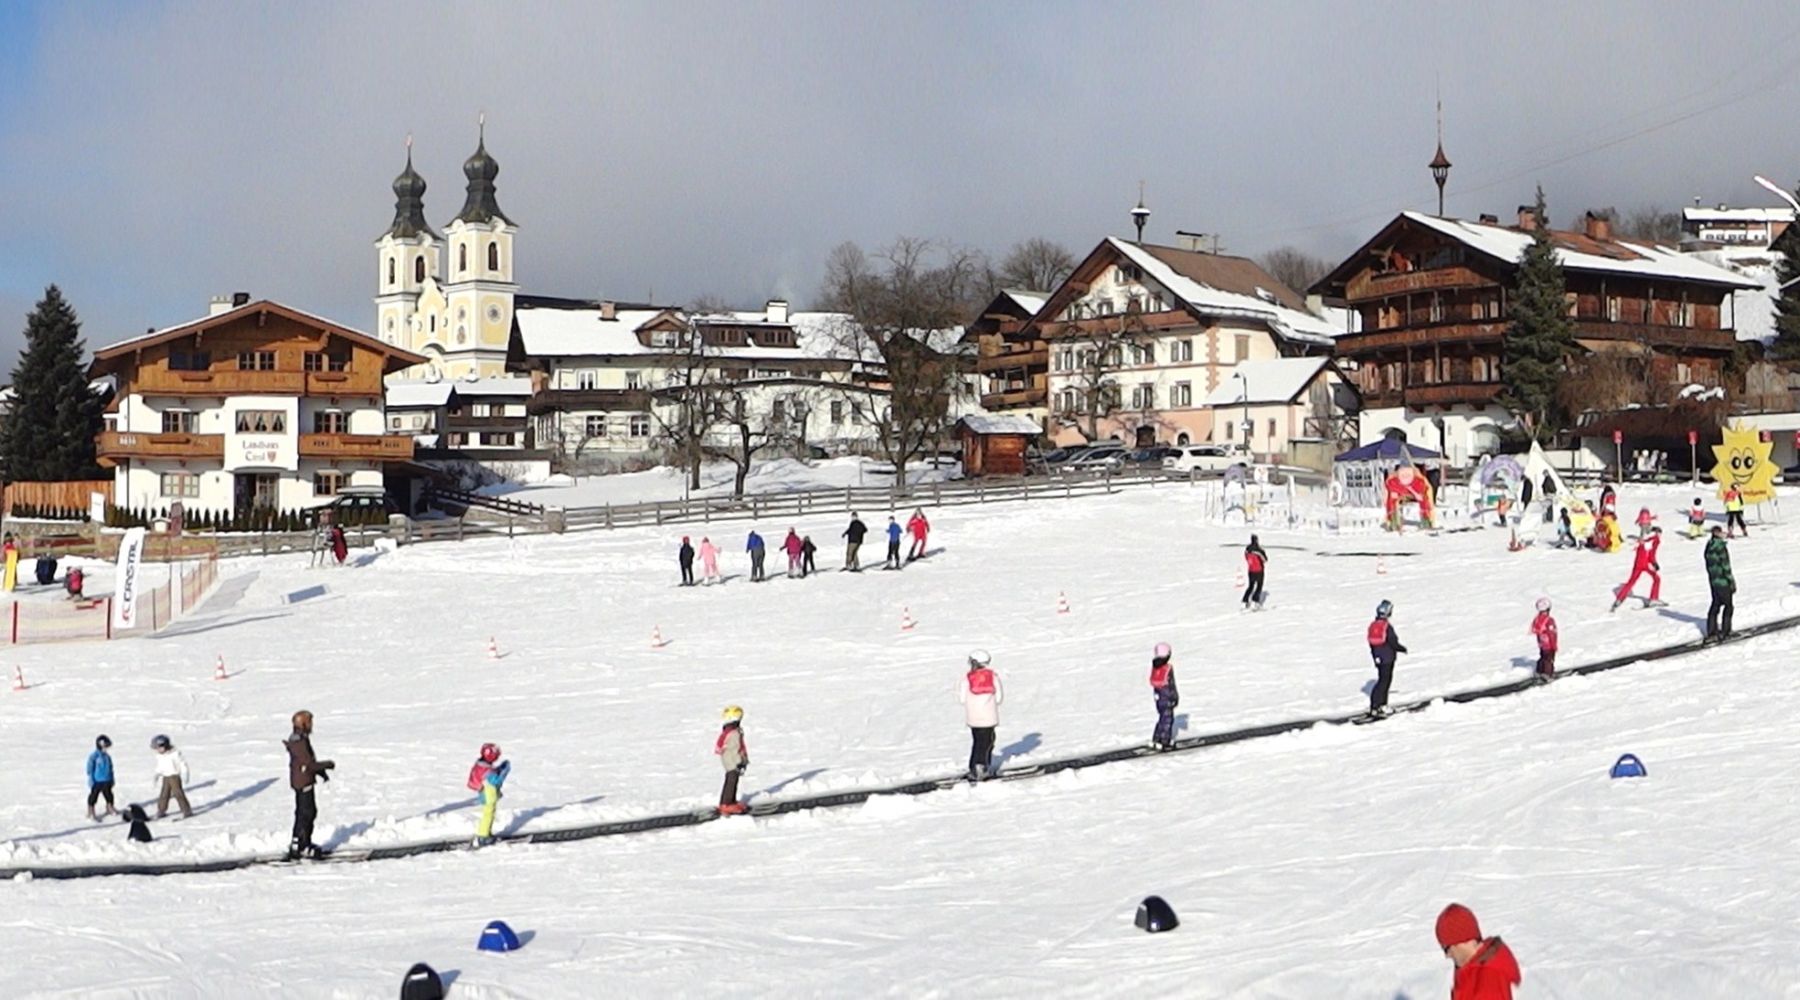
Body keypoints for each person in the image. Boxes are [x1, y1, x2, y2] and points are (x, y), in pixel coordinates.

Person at [1434, 903, 1521, 1000]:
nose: (1448, 956)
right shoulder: (1472, 969)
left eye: (1446, 949)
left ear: (1459, 943)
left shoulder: (1489, 981)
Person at [284, 710, 335, 860]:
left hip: (303, 779)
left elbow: (307, 763)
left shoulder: (300, 739)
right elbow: (308, 763)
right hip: (303, 781)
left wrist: (321, 773)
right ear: (303, 724)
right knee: (306, 813)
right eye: (310, 722)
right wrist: (327, 765)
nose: (312, 726)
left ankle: (299, 843)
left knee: (304, 812)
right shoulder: (299, 741)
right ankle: (302, 845)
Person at [958, 650, 1003, 781]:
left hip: (973, 717)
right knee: (988, 740)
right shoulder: (993, 676)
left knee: (977, 741)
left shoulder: (966, 678)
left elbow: (962, 699)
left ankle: (974, 767)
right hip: (989, 716)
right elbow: (999, 698)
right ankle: (983, 766)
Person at [1366, 599, 1407, 717]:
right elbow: (1393, 642)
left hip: (1378, 658)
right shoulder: (1386, 627)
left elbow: (1372, 643)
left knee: (1381, 681)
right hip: (1388, 658)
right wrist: (1401, 649)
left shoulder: (1373, 626)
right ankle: (1382, 705)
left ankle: (1375, 706)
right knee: (1385, 682)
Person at [466, 743, 512, 847]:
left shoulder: (481, 765)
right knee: (488, 815)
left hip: (484, 793)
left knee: (488, 814)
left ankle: (486, 833)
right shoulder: (488, 771)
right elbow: (496, 781)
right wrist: (504, 771)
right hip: (489, 795)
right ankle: (483, 836)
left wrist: (499, 769)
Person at [1611, 525, 1664, 611]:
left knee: (1631, 582)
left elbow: (1643, 549)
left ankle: (1619, 599)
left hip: (1638, 563)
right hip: (1645, 564)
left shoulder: (1646, 539)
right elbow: (1651, 553)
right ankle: (1654, 598)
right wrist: (1654, 563)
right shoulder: (1655, 540)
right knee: (1657, 579)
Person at [715, 705, 749, 815]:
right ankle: (726, 803)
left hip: (731, 760)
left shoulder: (730, 731)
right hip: (732, 761)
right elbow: (734, 749)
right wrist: (739, 761)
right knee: (731, 780)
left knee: (733, 780)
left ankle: (731, 801)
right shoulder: (733, 733)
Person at [150, 734, 192, 820]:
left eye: (159, 748)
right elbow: (160, 766)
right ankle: (161, 810)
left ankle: (186, 810)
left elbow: (183, 764)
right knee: (164, 794)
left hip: (174, 776)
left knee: (178, 793)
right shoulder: (160, 756)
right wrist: (156, 775)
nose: (157, 750)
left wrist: (185, 774)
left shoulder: (175, 754)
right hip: (166, 776)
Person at [1704, 525, 1735, 643]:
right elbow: (1726, 567)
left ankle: (1712, 631)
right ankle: (1726, 631)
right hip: (1722, 581)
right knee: (1728, 606)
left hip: (1713, 581)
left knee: (1715, 606)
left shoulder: (1708, 547)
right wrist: (1731, 581)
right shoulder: (1721, 548)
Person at [1148, 642, 1178, 750]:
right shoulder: (1167, 668)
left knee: (1161, 718)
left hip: (1158, 697)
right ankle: (1165, 741)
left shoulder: (1155, 667)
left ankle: (1156, 738)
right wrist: (1174, 697)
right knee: (1168, 720)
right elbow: (1171, 684)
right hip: (1167, 698)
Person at [86, 734, 117, 821]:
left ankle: (109, 807)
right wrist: (91, 779)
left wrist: (112, 778)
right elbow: (90, 768)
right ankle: (91, 811)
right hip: (97, 781)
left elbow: (110, 768)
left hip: (107, 780)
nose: (106, 749)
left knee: (109, 795)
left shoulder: (107, 757)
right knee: (93, 796)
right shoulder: (94, 756)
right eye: (105, 746)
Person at [1529, 598, 1558, 680]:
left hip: (1542, 643)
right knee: (1549, 660)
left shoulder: (1537, 619)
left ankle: (1539, 671)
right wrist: (1554, 645)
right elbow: (1552, 634)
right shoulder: (1549, 620)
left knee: (1542, 657)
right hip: (1549, 644)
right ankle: (1548, 674)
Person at [1242, 535, 1267, 609]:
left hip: (1251, 570)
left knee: (1250, 586)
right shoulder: (1259, 550)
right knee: (1259, 586)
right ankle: (1255, 601)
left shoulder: (1247, 549)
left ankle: (1245, 600)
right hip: (1259, 570)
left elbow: (1246, 557)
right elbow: (1265, 559)